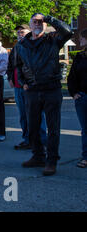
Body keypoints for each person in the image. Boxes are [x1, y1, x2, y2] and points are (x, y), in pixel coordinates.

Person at [16, 13, 73, 176]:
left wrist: (48, 18)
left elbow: (68, 32)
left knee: (53, 127)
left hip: (51, 89)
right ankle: (38, 155)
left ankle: (51, 160)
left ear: (46, 25)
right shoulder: (22, 45)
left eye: (41, 22)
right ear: (30, 25)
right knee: (33, 125)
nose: (38, 24)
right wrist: (23, 82)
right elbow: (18, 65)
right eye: (34, 21)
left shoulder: (53, 40)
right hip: (32, 90)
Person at [7, 24, 47, 149]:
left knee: (37, 114)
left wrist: (28, 82)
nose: (20, 34)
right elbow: (11, 65)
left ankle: (41, 140)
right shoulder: (16, 48)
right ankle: (27, 139)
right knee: (23, 115)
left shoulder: (34, 46)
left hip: (31, 86)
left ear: (29, 32)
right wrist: (10, 78)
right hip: (19, 87)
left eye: (22, 32)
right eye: (18, 32)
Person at [67, 28, 87, 169]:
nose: (79, 40)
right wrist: (74, 93)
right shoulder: (80, 57)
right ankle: (86, 157)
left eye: (82, 38)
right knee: (85, 129)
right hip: (82, 97)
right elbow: (72, 77)